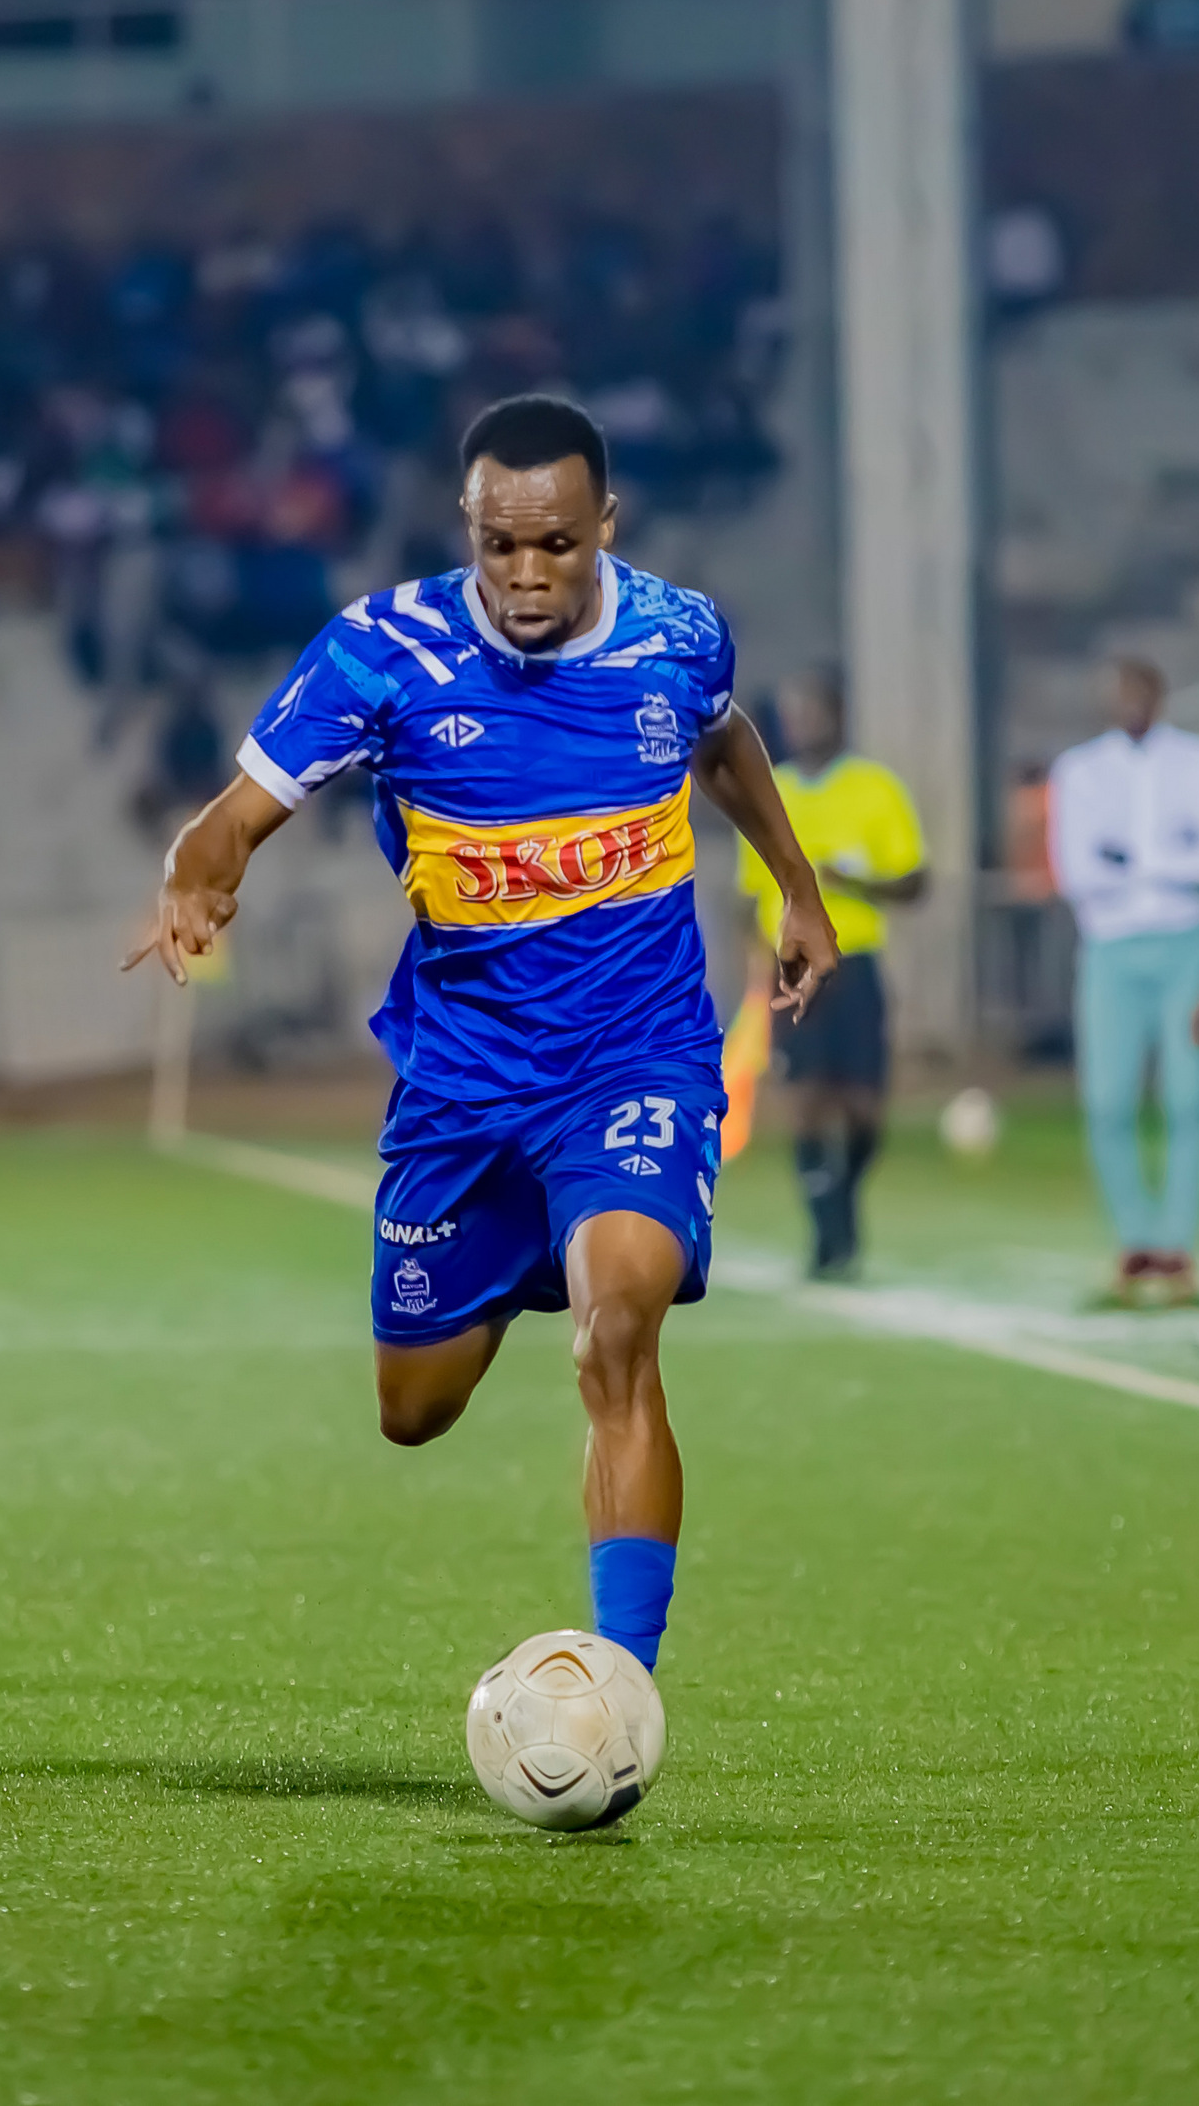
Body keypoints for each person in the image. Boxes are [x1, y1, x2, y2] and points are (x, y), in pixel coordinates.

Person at [128, 392, 835, 1678]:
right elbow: (230, 817)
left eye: (556, 543)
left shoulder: (678, 635)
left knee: (618, 1331)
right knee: (414, 1410)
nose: (525, 572)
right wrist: (195, 874)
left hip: (635, 1056)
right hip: (464, 1084)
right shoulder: (381, 653)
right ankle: (526, 1247)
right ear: (467, 525)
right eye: (499, 544)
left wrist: (798, 885)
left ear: (605, 522)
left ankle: (623, 1684)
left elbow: (726, 741)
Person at [736, 668, 926, 1279]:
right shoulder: (768, 790)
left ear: (839, 714)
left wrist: (856, 883)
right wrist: (755, 968)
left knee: (865, 1111)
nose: (799, 723)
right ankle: (828, 1237)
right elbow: (750, 893)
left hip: (854, 962)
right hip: (791, 968)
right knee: (807, 1103)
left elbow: (915, 881)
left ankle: (841, 1199)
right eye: (791, 713)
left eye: (811, 710)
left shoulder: (875, 788)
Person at [1047, 658, 1199, 1305]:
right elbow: (1076, 871)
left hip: (1186, 944)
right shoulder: (1080, 770)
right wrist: (1170, 859)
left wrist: (1133, 860)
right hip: (1111, 949)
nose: (1131, 703)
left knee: (1188, 1097)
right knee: (1108, 1100)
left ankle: (1176, 1246)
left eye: (1142, 691)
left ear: (1160, 695)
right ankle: (1135, 1241)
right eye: (1120, 693)